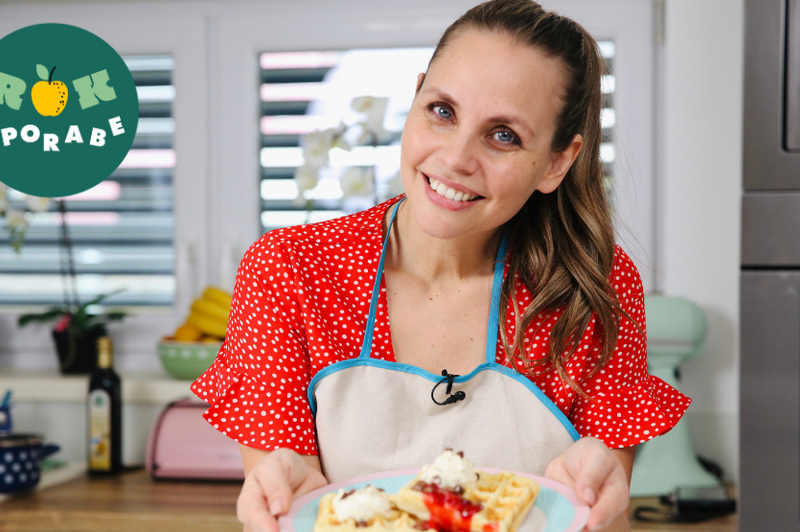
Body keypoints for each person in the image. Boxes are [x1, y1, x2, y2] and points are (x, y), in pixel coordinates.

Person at [191, 1, 691, 531]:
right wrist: (279, 495)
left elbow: (601, 518)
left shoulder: (592, 289)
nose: (455, 158)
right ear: (415, 98)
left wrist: (601, 500)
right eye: (443, 111)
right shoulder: (290, 270)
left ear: (556, 162)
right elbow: (285, 509)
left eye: (504, 135)